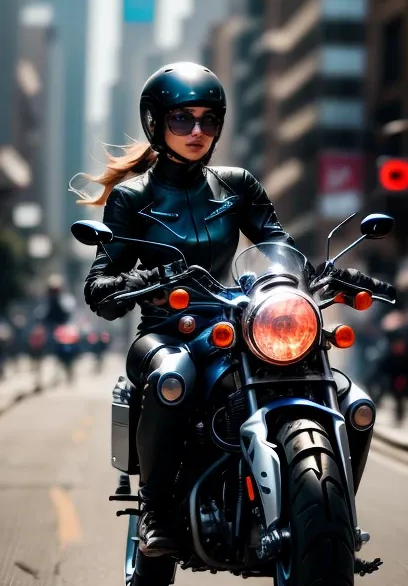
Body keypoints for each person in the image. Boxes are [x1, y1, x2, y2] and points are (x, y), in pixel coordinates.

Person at [81, 62, 391, 557]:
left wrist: (335, 275)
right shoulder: (132, 198)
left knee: (354, 403)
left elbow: (277, 245)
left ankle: (328, 525)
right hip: (166, 332)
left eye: (209, 119)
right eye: (183, 119)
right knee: (172, 377)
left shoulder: (237, 185)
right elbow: (100, 285)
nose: (197, 130)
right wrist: (149, 281)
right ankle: (158, 513)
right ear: (155, 123)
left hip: (235, 322)